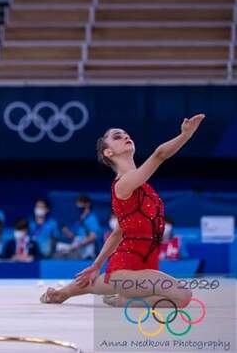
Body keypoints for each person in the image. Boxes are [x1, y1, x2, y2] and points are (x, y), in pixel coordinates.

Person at [40, 115, 205, 308]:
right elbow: (160, 154)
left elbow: (118, 232)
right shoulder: (124, 183)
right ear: (108, 152)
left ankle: (61, 294)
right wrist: (185, 135)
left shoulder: (140, 185)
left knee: (98, 284)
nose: (126, 136)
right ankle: (123, 300)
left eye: (127, 134)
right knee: (183, 296)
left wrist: (96, 265)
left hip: (144, 263)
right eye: (118, 136)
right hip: (126, 267)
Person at [57, 195, 101, 259]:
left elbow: (93, 237)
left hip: (87, 250)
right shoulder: (79, 220)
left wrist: (79, 244)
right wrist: (65, 230)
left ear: (88, 204)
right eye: (78, 203)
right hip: (78, 248)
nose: (78, 205)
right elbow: (73, 236)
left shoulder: (92, 219)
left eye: (81, 203)